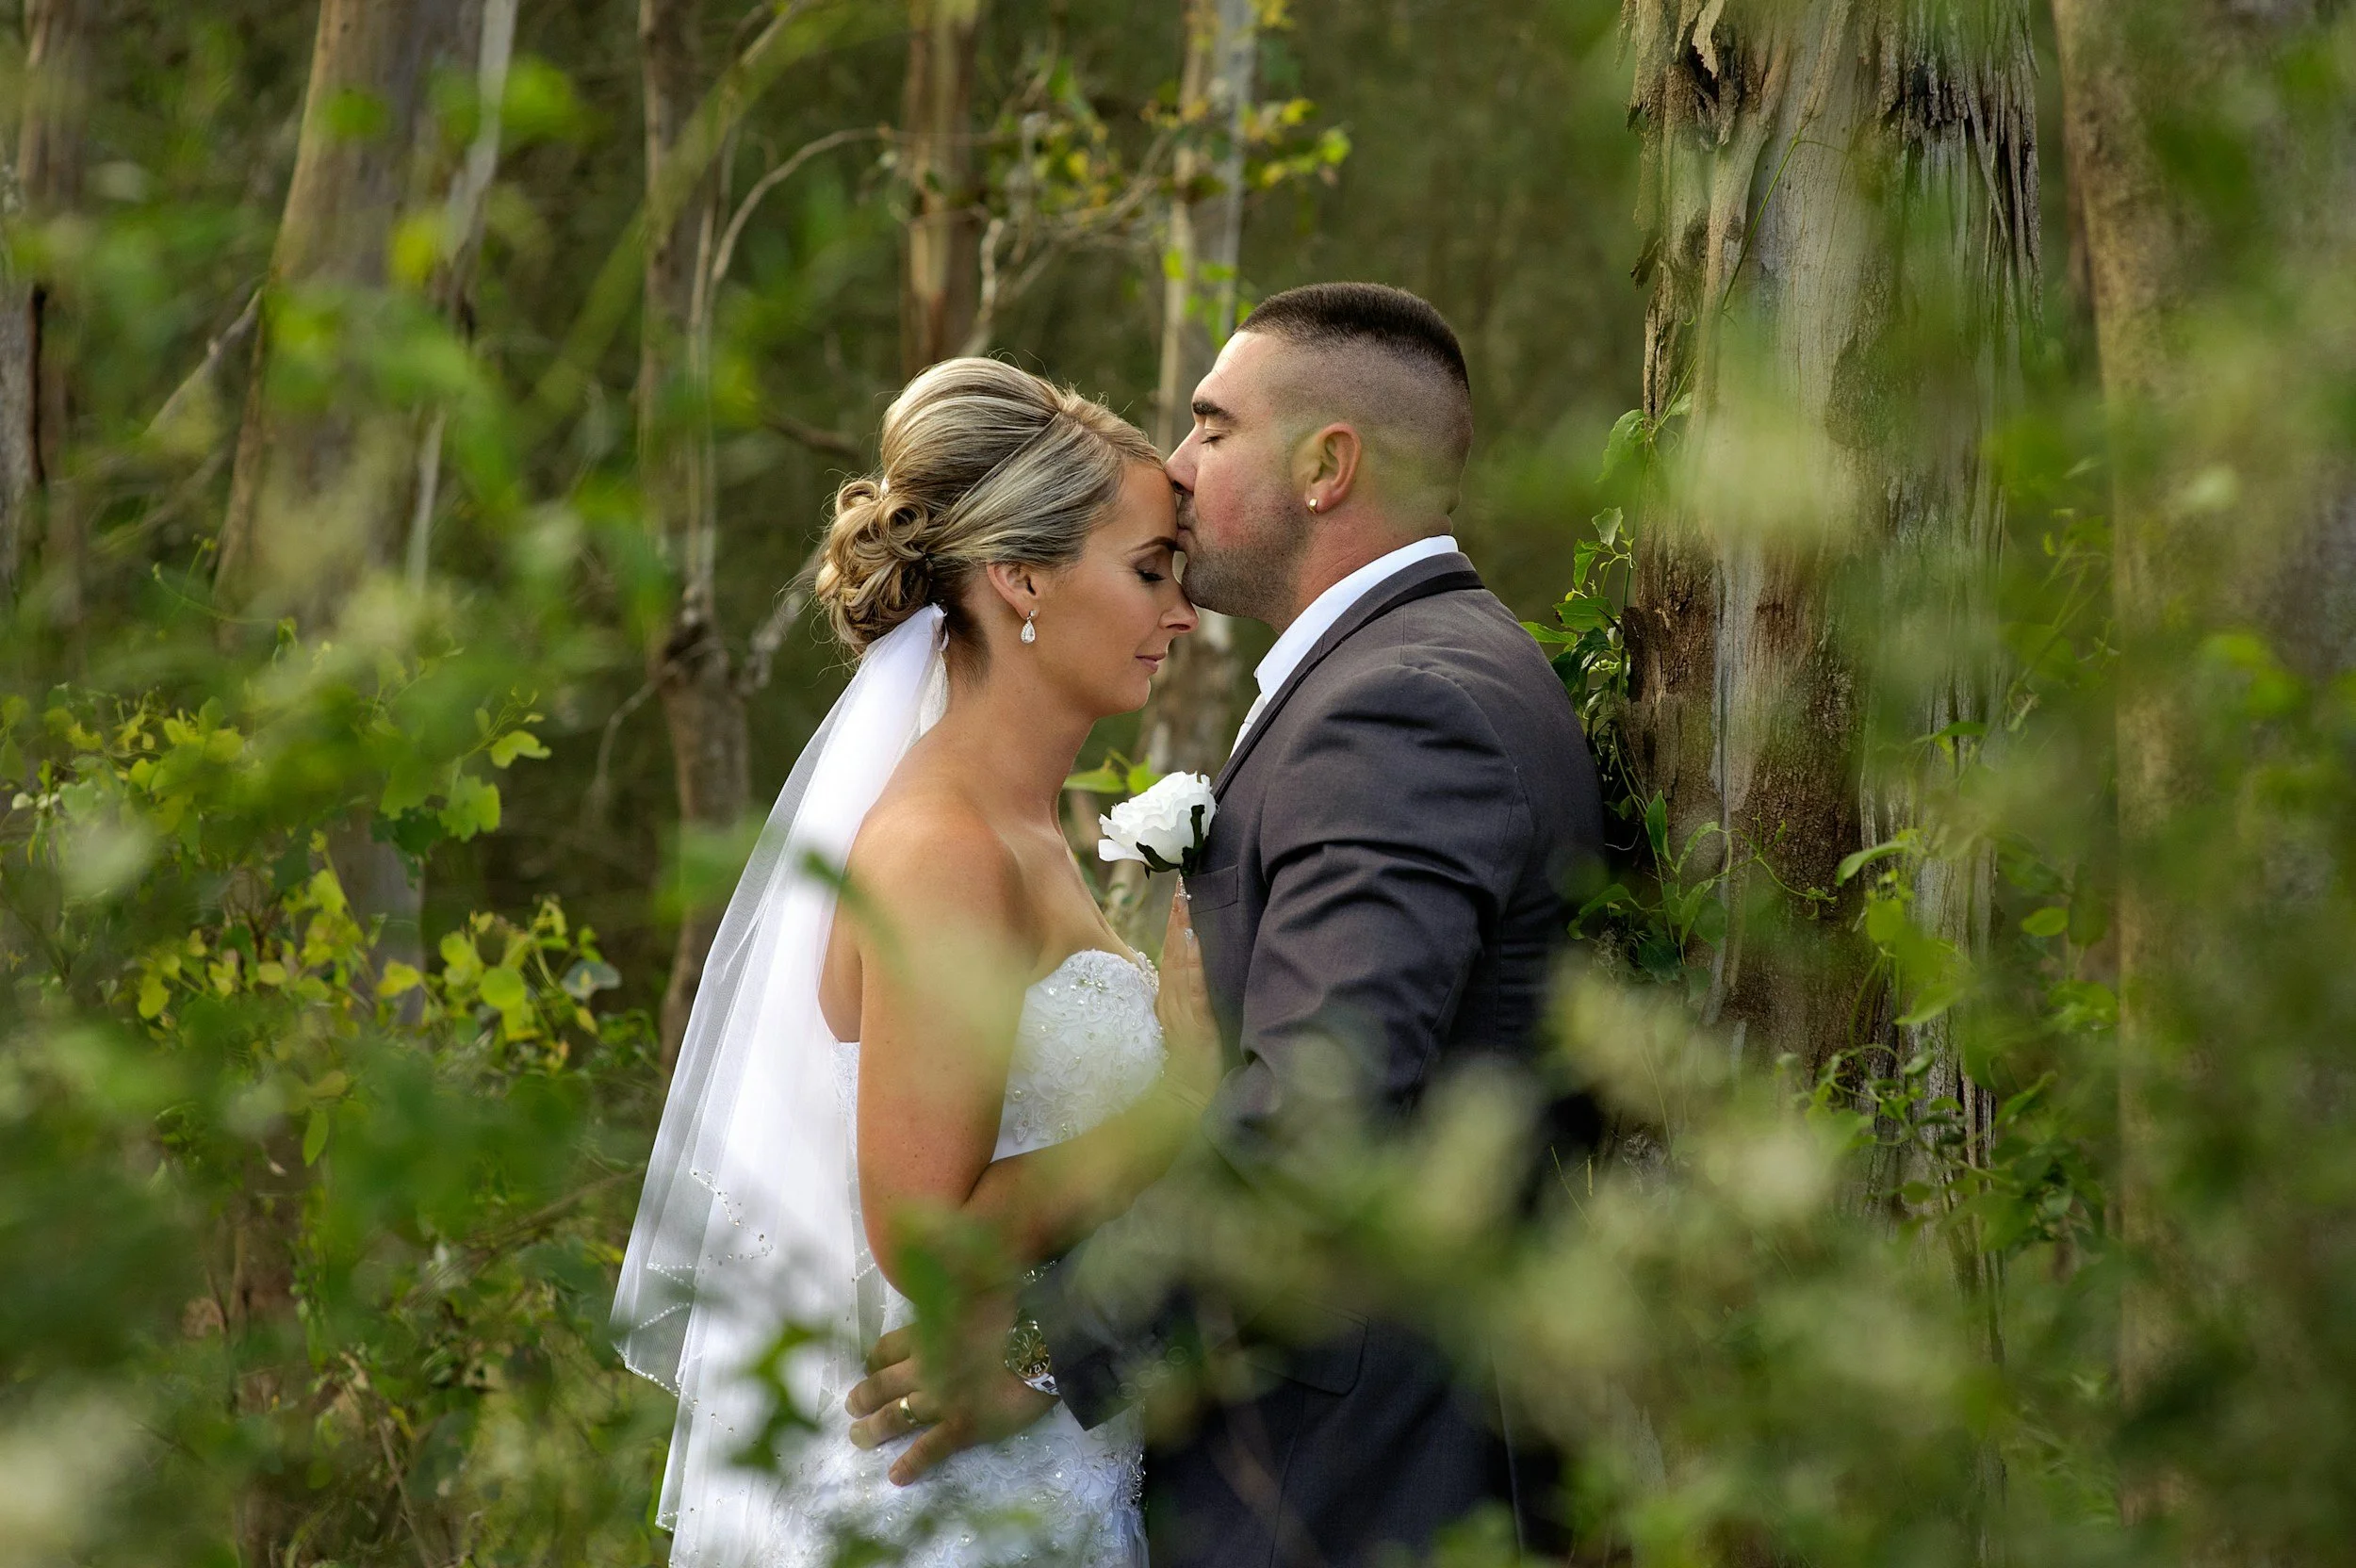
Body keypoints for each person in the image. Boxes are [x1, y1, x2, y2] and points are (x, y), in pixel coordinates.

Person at [846, 283, 1607, 1565]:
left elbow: (1315, 1121)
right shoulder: (1414, 677)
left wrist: (1046, 1351)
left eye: (1211, 426)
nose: (1180, 470)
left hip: (1361, 1489)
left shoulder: (1399, 710)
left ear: (1329, 464)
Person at [612, 357, 1219, 1567]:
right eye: (1151, 569)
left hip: (1038, 1464)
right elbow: (925, 1237)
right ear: (1021, 577)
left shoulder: (1027, 830)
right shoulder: (941, 849)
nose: (1182, 612)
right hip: (951, 1506)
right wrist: (1179, 1092)